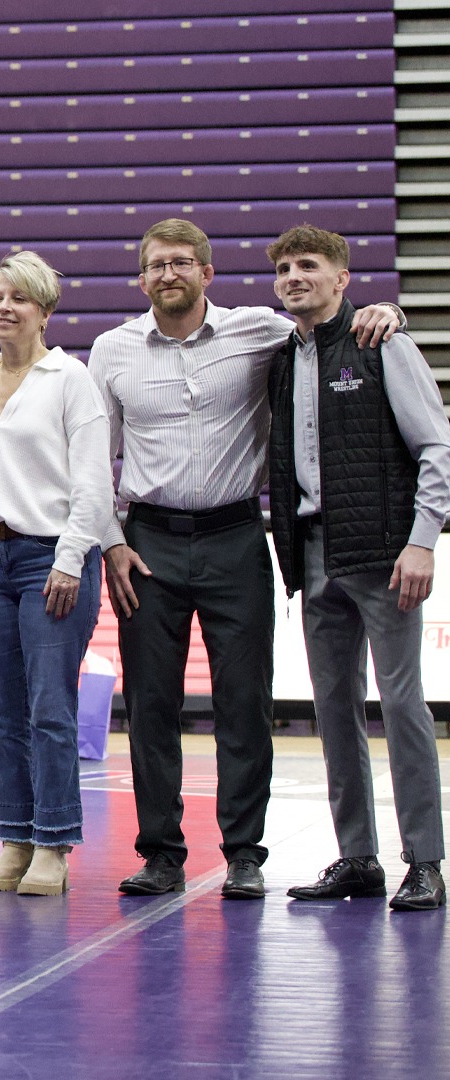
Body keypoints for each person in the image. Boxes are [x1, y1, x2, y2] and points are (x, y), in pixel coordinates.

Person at [90, 218, 401, 900]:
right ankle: (162, 854)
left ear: (208, 273)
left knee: (243, 703)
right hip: (146, 542)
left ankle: (243, 854)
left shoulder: (260, 330)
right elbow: (92, 459)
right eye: (156, 265)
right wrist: (110, 541)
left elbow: (328, 323)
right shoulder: (111, 351)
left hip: (236, 536)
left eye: (182, 262)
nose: (168, 273)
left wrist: (387, 309)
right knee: (149, 704)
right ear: (141, 279)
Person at [263, 225, 448, 912]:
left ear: (343, 279)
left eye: (308, 265)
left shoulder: (382, 342)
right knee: (333, 710)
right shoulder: (282, 357)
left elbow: (437, 449)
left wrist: (423, 539)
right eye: (283, 267)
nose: (293, 276)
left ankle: (425, 860)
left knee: (401, 705)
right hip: (313, 553)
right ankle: (357, 858)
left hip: (384, 554)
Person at [0, 253, 112, 896]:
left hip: (53, 557)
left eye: (19, 298)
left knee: (51, 706)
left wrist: (71, 558)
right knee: (1, 710)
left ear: (45, 311)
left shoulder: (69, 379)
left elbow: (95, 483)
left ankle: (54, 844)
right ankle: (14, 837)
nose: (3, 307)